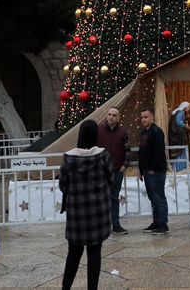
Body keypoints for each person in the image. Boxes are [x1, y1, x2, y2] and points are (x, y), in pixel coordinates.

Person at [60, 120, 113, 290]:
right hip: (97, 212)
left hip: (77, 213)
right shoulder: (103, 155)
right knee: (94, 252)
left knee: (74, 253)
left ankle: (66, 287)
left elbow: (63, 185)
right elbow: (111, 178)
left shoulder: (68, 158)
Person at [96, 107, 129, 234]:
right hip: (101, 171)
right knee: (101, 199)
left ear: (118, 117)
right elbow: (93, 149)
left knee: (114, 198)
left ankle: (116, 225)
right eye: (109, 114)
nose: (111, 117)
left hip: (116, 170)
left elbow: (128, 150)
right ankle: (101, 226)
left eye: (114, 115)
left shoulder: (123, 132)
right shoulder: (99, 131)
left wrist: (124, 166)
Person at [138, 107, 169, 234]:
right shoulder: (144, 133)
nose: (143, 120)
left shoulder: (157, 132)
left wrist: (152, 169)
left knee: (159, 198)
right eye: (142, 117)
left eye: (146, 117)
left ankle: (163, 224)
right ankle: (156, 222)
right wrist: (140, 169)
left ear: (152, 117)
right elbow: (142, 153)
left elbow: (159, 153)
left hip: (156, 172)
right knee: (152, 198)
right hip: (146, 171)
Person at [170, 102, 190, 171]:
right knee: (181, 150)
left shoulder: (177, 112)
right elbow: (178, 121)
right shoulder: (180, 112)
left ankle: (181, 166)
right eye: (188, 108)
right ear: (185, 107)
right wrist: (185, 125)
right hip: (178, 135)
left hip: (178, 134)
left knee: (181, 150)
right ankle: (180, 167)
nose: (188, 109)